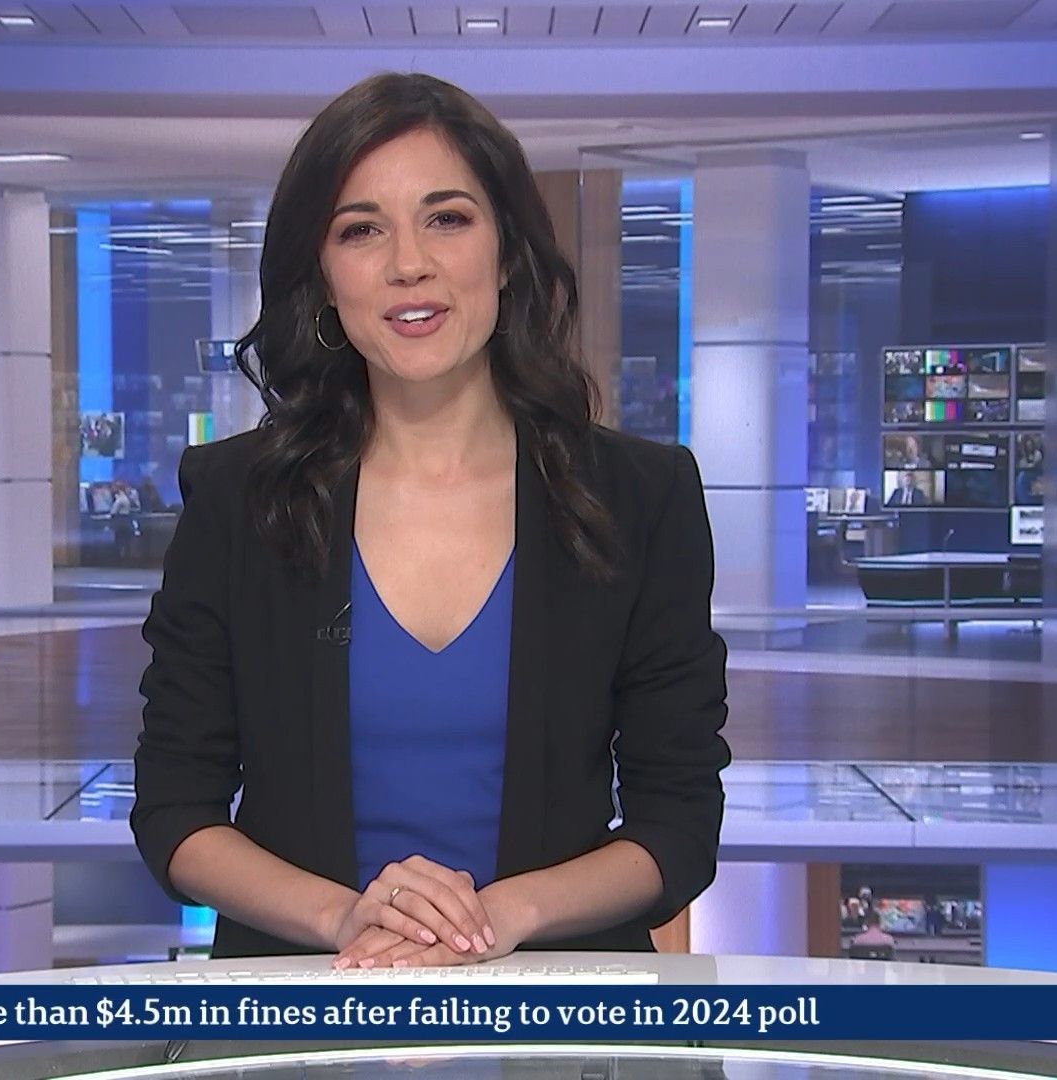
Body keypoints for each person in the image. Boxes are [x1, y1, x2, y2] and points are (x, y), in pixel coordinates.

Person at [132, 73, 729, 967]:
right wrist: (344, 919)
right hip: (303, 1001)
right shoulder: (239, 498)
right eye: (361, 229)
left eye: (447, 218)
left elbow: (678, 822)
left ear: (508, 251)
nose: (408, 263)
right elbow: (174, 810)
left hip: (559, 1005)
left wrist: (497, 917)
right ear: (322, 274)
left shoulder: (639, 496)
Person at [109, 482, 140, 563]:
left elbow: (113, 512)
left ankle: (120, 557)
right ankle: (126, 556)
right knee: (125, 539)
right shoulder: (126, 498)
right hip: (126, 521)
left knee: (120, 539)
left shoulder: (120, 499)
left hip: (121, 521)